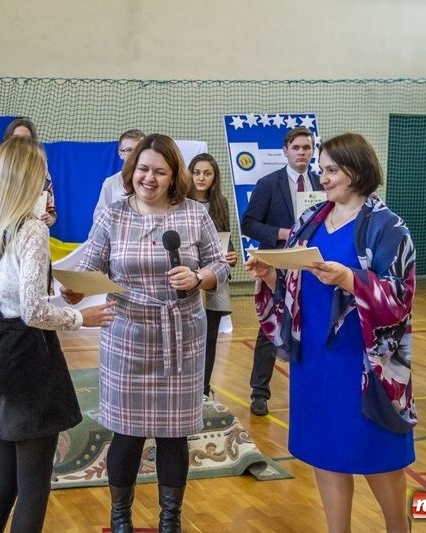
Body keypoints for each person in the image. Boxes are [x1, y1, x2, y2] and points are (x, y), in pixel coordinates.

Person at [0, 136, 116, 533]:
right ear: (28, 177)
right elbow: (35, 310)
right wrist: (80, 318)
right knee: (34, 484)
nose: (47, 180)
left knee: (5, 477)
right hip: (27, 355)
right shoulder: (31, 229)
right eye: (42, 172)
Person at [245, 132, 415, 533]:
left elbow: (401, 297)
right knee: (327, 453)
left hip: (363, 362)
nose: (323, 176)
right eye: (322, 169)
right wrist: (270, 276)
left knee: (378, 454)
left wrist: (350, 280)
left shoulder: (387, 226)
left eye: (332, 169)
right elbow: (293, 286)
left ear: (357, 170)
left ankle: (399, 528)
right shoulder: (311, 219)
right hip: (315, 359)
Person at [62, 134, 228, 533]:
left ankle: (170, 520)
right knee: (127, 433)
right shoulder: (112, 215)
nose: (148, 178)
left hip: (182, 335)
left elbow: (219, 265)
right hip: (127, 335)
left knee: (174, 434)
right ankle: (121, 518)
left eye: (159, 171)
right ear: (130, 170)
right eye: (142, 169)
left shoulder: (193, 214)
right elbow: (88, 266)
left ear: (174, 176)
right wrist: (72, 288)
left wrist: (200, 277)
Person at [240, 126, 322, 416]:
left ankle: (309, 389)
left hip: (309, 266)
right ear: (286, 151)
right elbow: (248, 223)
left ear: (313, 152)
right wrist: (283, 232)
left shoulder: (320, 183)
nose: (302, 152)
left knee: (310, 326)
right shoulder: (268, 183)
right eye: (297, 147)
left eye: (307, 148)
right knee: (269, 329)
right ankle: (259, 393)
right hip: (274, 265)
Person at [187, 153, 238, 398]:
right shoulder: (179, 203)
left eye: (207, 173)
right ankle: (185, 388)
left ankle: (204, 390)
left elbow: (225, 241)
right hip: (188, 280)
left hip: (215, 281)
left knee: (210, 338)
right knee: (187, 338)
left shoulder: (221, 203)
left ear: (214, 177)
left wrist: (232, 257)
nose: (201, 177)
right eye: (196, 172)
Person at [1, 118, 57, 227]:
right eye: (16, 139)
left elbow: (50, 208)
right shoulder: (0, 163)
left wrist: (50, 218)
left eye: (26, 139)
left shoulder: (41, 167)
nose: (21, 143)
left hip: (33, 228)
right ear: (8, 141)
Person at [93, 129, 145, 218]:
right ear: (120, 153)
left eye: (139, 150)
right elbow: (99, 217)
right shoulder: (111, 183)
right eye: (129, 150)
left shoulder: (151, 181)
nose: (134, 155)